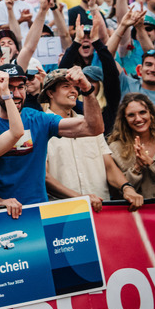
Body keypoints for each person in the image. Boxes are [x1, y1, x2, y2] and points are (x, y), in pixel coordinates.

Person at [0, 63, 105, 207]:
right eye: (9, 87)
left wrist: (86, 89)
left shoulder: (39, 119)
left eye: (21, 87)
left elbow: (93, 129)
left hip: (37, 210)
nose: (16, 94)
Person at [40, 69, 144, 212]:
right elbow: (44, 177)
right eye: (66, 86)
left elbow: (109, 166)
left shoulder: (90, 124)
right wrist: (80, 199)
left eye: (75, 87)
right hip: (63, 213)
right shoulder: (39, 126)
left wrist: (127, 187)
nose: (73, 91)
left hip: (100, 209)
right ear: (50, 93)